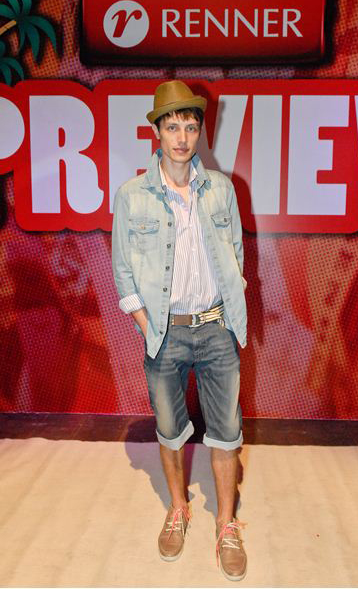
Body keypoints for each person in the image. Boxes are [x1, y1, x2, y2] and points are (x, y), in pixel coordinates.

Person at [111, 80, 248, 581]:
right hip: (164, 333)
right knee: (169, 431)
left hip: (215, 328)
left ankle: (227, 525)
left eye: (190, 127)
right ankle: (178, 508)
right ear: (158, 132)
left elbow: (236, 255)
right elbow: (123, 272)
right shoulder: (132, 196)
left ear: (199, 132)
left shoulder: (222, 190)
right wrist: (149, 325)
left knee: (227, 433)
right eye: (173, 127)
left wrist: (230, 313)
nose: (182, 138)